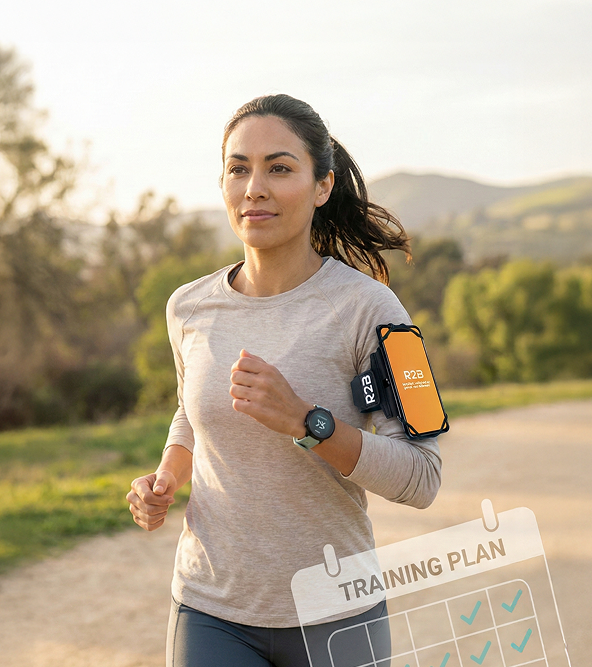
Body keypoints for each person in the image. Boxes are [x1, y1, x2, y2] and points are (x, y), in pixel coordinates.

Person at [126, 94, 442, 667]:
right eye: (238, 169)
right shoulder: (188, 308)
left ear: (322, 185)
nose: (254, 188)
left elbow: (422, 477)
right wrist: (167, 476)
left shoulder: (376, 311)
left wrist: (306, 421)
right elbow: (190, 411)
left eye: (279, 168)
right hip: (211, 610)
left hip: (339, 613)